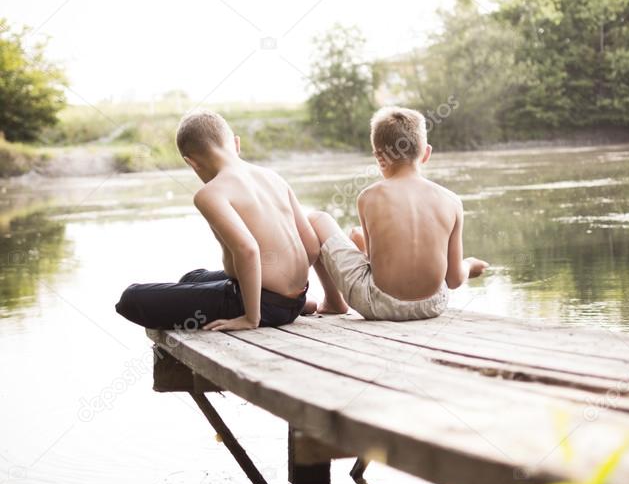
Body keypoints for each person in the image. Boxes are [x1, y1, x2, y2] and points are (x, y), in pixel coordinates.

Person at [115, 109, 318, 331]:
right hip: (295, 297)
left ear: (191, 162)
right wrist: (288, 290)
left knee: (130, 298)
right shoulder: (273, 177)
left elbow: (248, 249)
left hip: (260, 304)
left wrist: (251, 318)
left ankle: (260, 310)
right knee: (191, 278)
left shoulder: (210, 193)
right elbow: (311, 246)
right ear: (236, 144)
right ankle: (295, 305)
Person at [309, 105, 488, 321]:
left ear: (378, 157)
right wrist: (469, 265)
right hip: (433, 305)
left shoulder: (369, 197)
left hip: (378, 304)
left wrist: (359, 243)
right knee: (358, 236)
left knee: (318, 219)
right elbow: (453, 280)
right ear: (427, 153)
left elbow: (375, 265)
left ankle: (333, 301)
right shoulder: (452, 201)